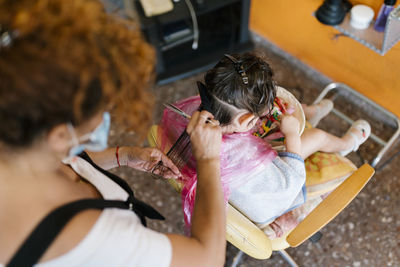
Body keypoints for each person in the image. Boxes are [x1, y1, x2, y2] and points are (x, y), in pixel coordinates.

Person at [0, 0, 226, 266]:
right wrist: (209, 159)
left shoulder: (18, 138)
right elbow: (207, 259)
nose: (106, 117)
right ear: (60, 134)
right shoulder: (90, 236)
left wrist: (124, 156)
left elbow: (70, 163)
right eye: (103, 109)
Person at [159, 52, 371, 236]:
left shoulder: (193, 112)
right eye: (255, 119)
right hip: (259, 206)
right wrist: (290, 135)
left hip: (227, 180)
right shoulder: (248, 160)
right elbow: (291, 182)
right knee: (314, 137)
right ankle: (344, 144)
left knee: (287, 118)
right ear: (244, 121)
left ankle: (310, 113)